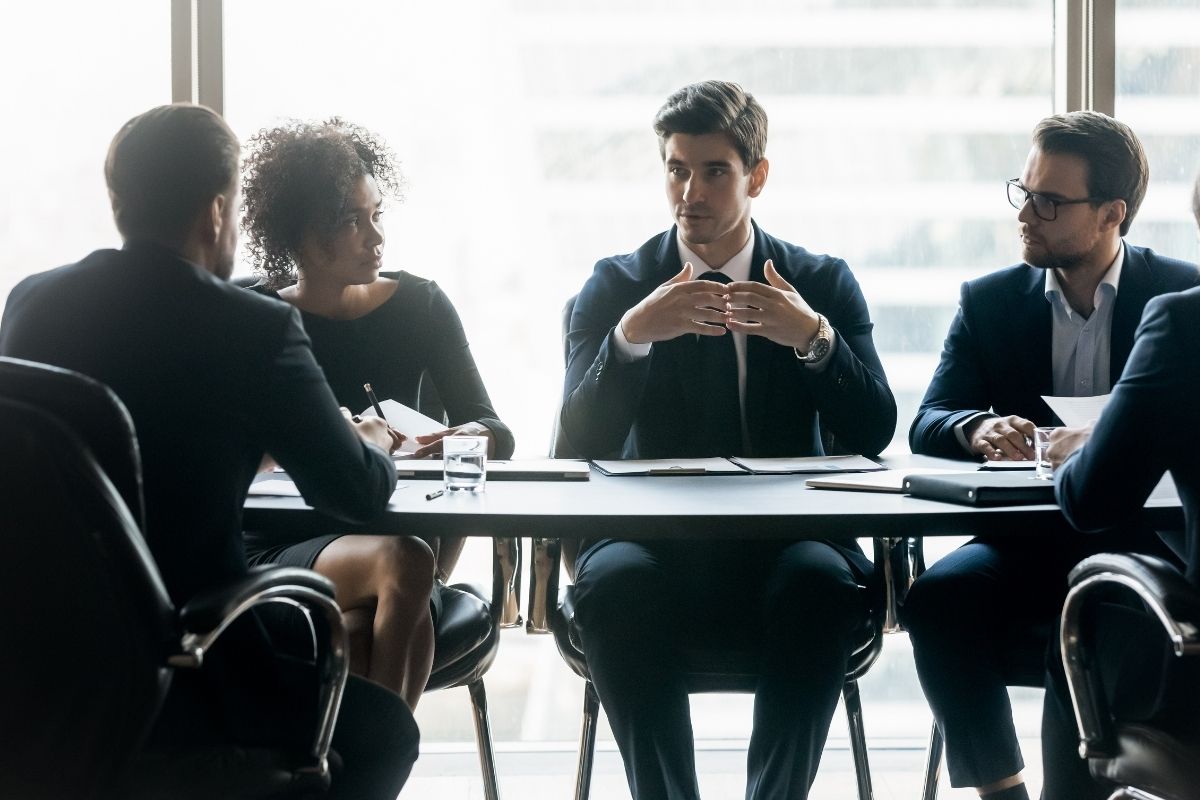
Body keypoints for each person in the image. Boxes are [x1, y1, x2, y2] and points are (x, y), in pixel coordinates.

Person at [0, 104, 417, 800]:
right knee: (384, 733)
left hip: (46, 674)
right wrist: (368, 442)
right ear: (218, 211)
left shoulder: (31, 304)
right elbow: (355, 494)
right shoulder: (253, 327)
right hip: (198, 668)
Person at [559, 80, 896, 800]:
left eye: (715, 171)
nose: (691, 192)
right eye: (677, 169)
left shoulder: (821, 282)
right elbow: (573, 441)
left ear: (757, 176)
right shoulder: (615, 285)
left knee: (821, 582)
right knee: (612, 582)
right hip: (648, 544)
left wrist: (814, 338)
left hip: (793, 543)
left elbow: (875, 431)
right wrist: (630, 338)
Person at [902, 111, 1199, 800]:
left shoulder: (1176, 298)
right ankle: (1001, 790)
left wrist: (1093, 443)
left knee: (1097, 623)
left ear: (1111, 214)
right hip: (1024, 542)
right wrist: (974, 428)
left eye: (1050, 201)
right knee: (938, 600)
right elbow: (929, 419)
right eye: (1024, 192)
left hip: (1142, 546)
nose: (1026, 215)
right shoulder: (989, 303)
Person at [239, 118, 515, 710]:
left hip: (396, 537)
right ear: (302, 236)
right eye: (351, 221)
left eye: (377, 214)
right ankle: (379, 772)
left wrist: (463, 437)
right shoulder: (254, 316)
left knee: (367, 623)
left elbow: (496, 430)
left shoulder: (421, 305)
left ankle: (357, 776)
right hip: (287, 543)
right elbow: (226, 449)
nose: (376, 238)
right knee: (402, 568)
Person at [1037, 173, 1200, 800]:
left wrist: (1089, 444)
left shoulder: (1185, 324)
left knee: (1084, 623)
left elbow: (1091, 500)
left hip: (1198, 663)